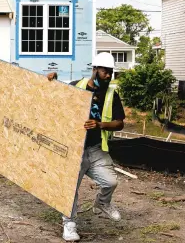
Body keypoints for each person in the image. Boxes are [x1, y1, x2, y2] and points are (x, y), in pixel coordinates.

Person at [47, 52, 125, 242]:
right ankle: (69, 224)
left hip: (96, 148)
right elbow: (55, 97)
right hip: (75, 149)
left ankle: (102, 202)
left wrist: (100, 125)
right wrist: (52, 81)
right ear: (95, 70)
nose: (108, 75)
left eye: (111, 72)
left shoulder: (111, 94)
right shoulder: (77, 86)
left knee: (111, 182)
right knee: (71, 188)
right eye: (105, 71)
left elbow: (120, 123)